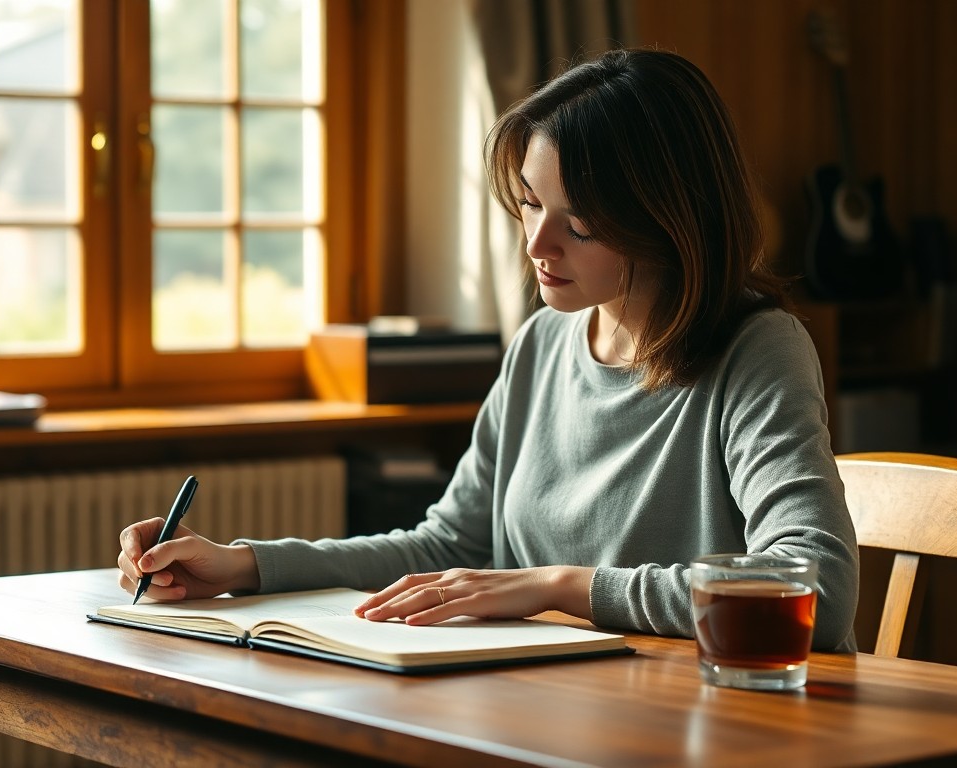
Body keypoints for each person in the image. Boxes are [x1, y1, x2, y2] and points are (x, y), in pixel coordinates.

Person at [115, 48, 860, 651]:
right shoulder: (542, 344)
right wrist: (242, 566)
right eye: (532, 204)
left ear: (668, 220)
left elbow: (815, 588)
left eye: (582, 224)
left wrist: (564, 585)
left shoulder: (757, 348)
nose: (537, 244)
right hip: (556, 710)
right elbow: (448, 547)